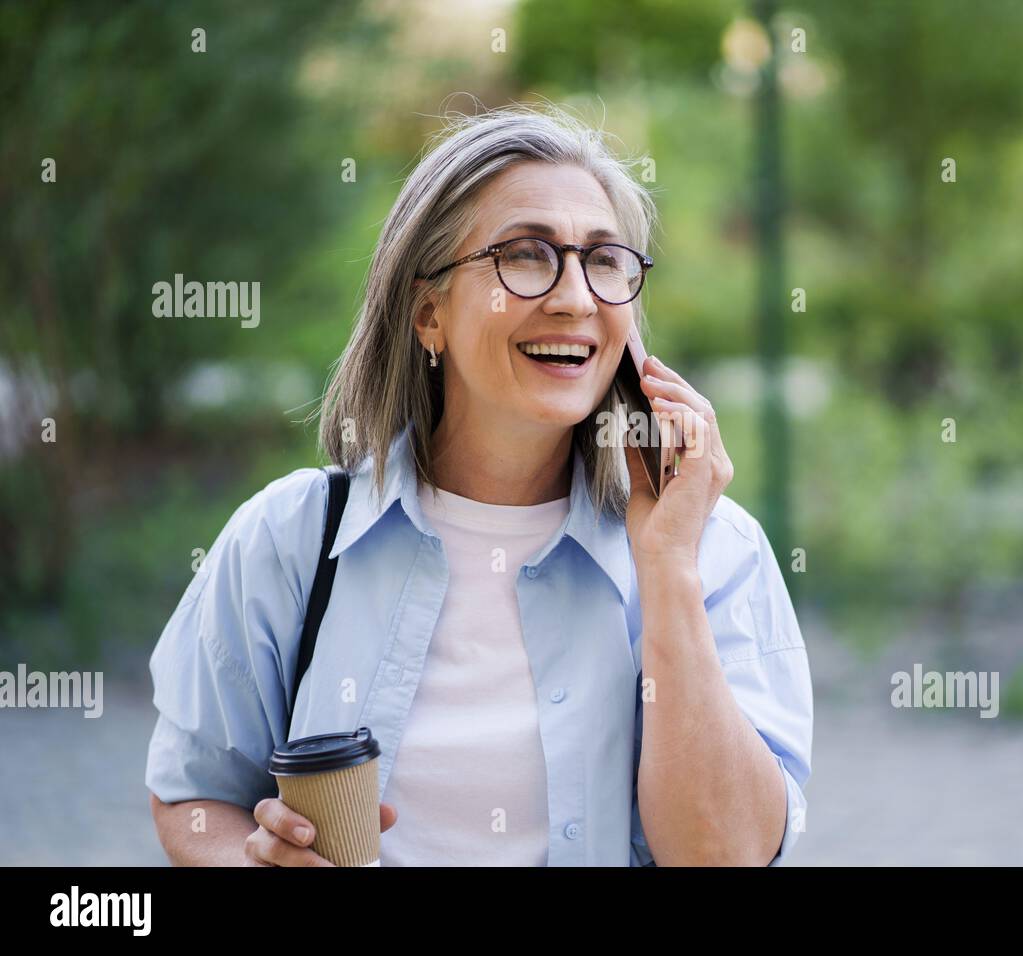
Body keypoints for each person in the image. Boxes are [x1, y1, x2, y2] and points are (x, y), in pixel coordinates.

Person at [145, 104, 813, 866]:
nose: (575, 297)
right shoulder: (291, 538)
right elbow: (191, 796)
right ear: (429, 312)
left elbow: (725, 855)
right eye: (526, 255)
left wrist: (668, 570)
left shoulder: (713, 551)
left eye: (604, 260)